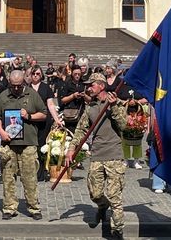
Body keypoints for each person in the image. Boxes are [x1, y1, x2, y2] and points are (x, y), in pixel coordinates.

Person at [69, 72, 128, 240]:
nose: (89, 88)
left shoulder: (116, 102)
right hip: (97, 155)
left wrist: (114, 106)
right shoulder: (91, 107)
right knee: (95, 194)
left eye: (92, 84)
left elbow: (123, 126)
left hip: (114, 155)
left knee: (115, 197)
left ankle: (117, 230)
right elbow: (81, 130)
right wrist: (71, 149)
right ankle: (102, 207)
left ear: (101, 86)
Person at [0, 69, 47, 220]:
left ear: (24, 81)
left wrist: (29, 116)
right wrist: (1, 132)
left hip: (28, 143)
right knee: (8, 178)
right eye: (13, 85)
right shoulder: (3, 96)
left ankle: (34, 207)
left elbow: (43, 114)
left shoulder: (32, 94)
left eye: (19, 85)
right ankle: (9, 207)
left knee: (30, 178)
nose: (16, 88)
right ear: (9, 82)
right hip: (9, 144)